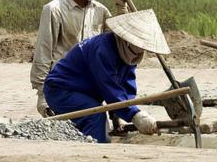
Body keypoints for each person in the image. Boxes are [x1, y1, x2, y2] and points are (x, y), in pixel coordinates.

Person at [43, 9, 169, 143]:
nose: (141, 51)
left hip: (85, 91)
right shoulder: (102, 50)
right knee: (95, 114)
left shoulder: (130, 53)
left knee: (98, 115)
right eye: (139, 46)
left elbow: (125, 86)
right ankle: (95, 151)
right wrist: (135, 115)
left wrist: (118, 115)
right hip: (61, 90)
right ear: (126, 40)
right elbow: (109, 87)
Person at [30, 0, 132, 117]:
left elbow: (121, 48)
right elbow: (43, 55)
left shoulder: (102, 12)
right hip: (64, 87)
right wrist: (43, 97)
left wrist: (121, 5)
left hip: (91, 88)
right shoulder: (54, 10)